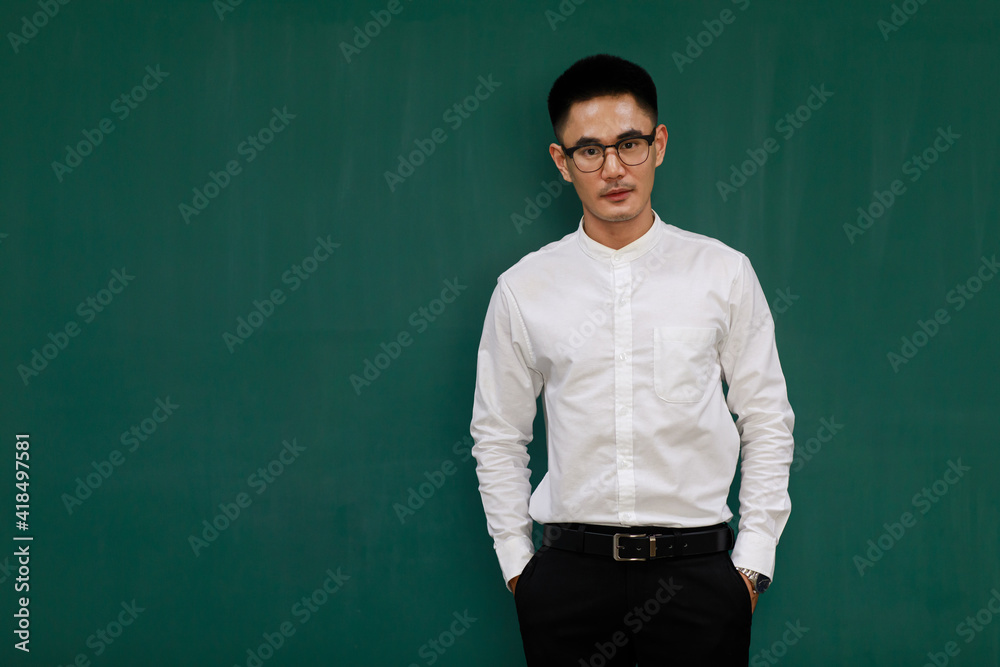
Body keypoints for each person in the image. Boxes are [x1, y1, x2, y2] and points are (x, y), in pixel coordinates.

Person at [469, 54, 794, 666]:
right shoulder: (524, 287)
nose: (614, 168)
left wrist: (752, 564)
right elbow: (499, 433)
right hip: (568, 580)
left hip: (700, 577)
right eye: (589, 151)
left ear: (659, 144)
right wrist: (519, 567)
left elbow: (767, 418)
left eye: (630, 144)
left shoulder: (722, 274)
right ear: (562, 163)